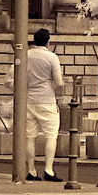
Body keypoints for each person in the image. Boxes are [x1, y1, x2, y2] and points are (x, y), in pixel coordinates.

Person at [20, 28, 64, 182]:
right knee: (51, 135)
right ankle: (48, 170)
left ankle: (31, 171)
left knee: (29, 137)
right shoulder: (52, 57)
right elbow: (58, 82)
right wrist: (61, 94)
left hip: (28, 100)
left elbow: (15, 77)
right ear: (48, 41)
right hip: (47, 100)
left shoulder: (25, 55)